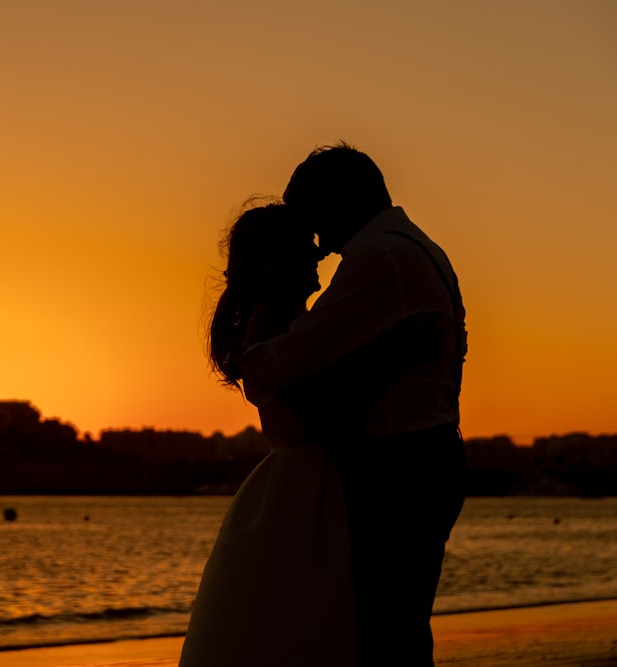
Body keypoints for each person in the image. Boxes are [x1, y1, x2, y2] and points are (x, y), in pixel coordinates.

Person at [241, 143, 468, 666]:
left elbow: (295, 356)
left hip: (397, 466)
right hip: (424, 455)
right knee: (397, 625)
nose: (317, 243)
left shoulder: (378, 257)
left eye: (313, 220)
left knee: (382, 629)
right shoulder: (417, 247)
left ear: (341, 201)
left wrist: (248, 360)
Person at [178, 202, 357, 667]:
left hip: (301, 479)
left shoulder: (280, 317)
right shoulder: (276, 317)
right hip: (308, 483)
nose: (318, 254)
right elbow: (319, 409)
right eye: (303, 245)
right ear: (271, 260)